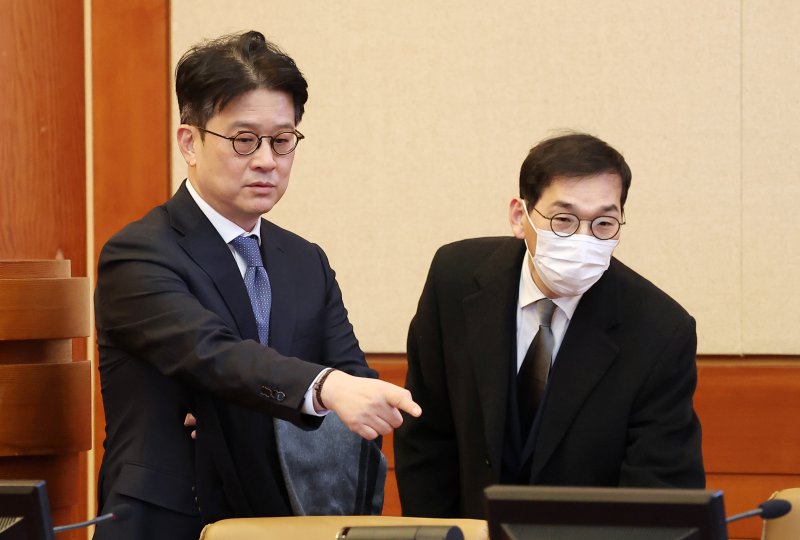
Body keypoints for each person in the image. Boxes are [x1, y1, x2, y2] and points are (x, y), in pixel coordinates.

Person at [94, 30, 420, 540]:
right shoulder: (138, 253)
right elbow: (211, 353)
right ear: (190, 142)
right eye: (244, 140)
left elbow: (354, 385)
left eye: (282, 141)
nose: (267, 160)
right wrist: (323, 388)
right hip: (172, 519)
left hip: (281, 521)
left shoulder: (305, 261)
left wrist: (323, 394)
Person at [394, 132, 704, 519]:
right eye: (563, 220)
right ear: (519, 216)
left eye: (604, 223)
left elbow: (659, 488)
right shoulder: (454, 278)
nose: (583, 240)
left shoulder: (660, 331)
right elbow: (426, 434)